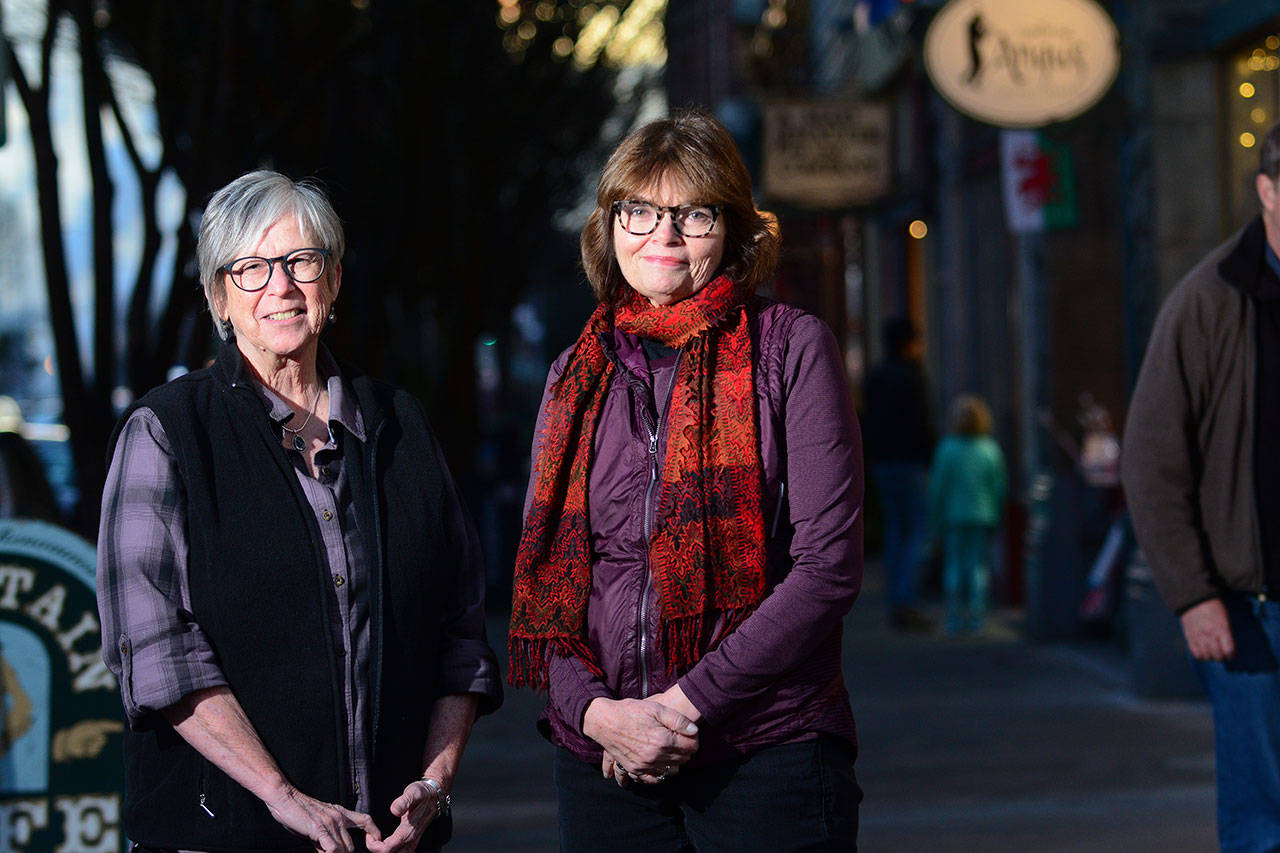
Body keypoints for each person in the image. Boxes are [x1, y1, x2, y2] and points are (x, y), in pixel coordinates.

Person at [96, 170, 502, 853]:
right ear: (217, 295)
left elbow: (459, 632)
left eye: (300, 262)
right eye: (250, 268)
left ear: (334, 279)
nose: (279, 286)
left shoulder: (399, 424)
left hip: (389, 840)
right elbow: (157, 652)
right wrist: (282, 796)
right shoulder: (166, 432)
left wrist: (434, 783)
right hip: (220, 835)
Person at [507, 109, 863, 851]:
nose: (662, 235)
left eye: (692, 213)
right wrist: (598, 714)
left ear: (731, 229)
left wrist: (684, 704)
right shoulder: (573, 376)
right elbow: (550, 582)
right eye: (637, 210)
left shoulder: (790, 350)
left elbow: (828, 568)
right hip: (604, 762)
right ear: (608, 225)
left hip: (765, 751)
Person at [1123, 119, 1280, 852]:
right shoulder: (1210, 299)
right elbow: (1152, 460)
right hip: (1252, 608)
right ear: (1267, 190)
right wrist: (1191, 593)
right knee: (1261, 811)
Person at [863, 316, 935, 631]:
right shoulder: (911, 376)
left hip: (883, 462)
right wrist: (928, 453)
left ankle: (896, 595)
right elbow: (921, 421)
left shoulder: (876, 377)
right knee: (919, 530)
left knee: (896, 528)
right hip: (909, 460)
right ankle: (907, 600)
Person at [928, 395, 1006, 634]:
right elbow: (999, 487)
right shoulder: (990, 449)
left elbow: (938, 488)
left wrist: (936, 519)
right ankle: (977, 619)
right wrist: (997, 514)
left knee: (953, 567)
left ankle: (952, 619)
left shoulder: (947, 449)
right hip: (983, 515)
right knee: (977, 568)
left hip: (953, 516)